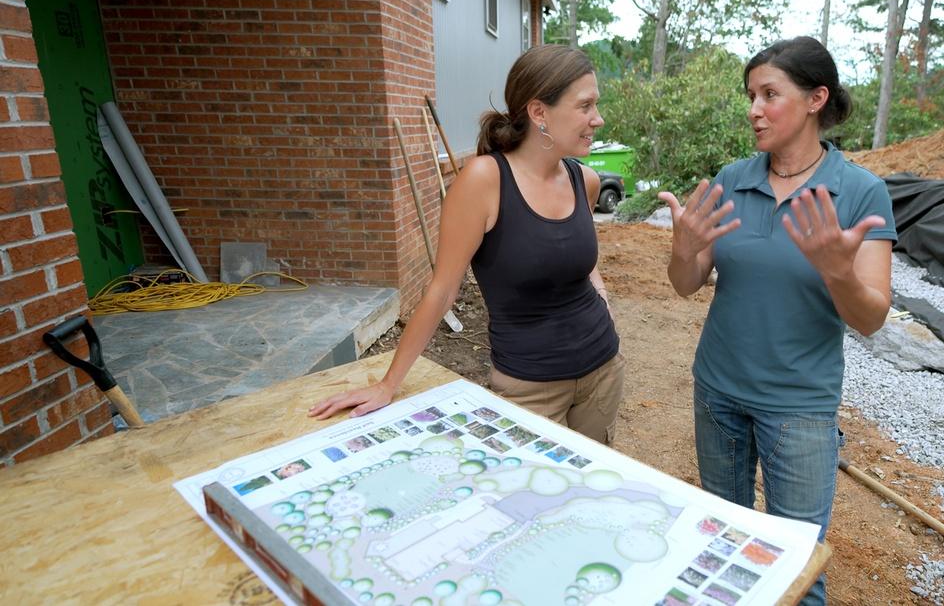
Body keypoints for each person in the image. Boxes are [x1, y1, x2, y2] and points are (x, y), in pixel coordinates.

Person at [659, 36, 895, 605]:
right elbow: (685, 283)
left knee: (795, 564)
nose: (753, 109)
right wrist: (683, 248)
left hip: (799, 408)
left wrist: (838, 271)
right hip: (717, 392)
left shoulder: (861, 191)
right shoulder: (731, 179)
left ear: (816, 99)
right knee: (723, 543)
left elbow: (871, 319)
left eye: (770, 94)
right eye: (751, 95)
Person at [309, 45, 624, 444]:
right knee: (524, 498)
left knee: (591, 488)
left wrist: (602, 297)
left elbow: (579, 256)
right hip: (528, 387)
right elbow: (442, 290)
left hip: (603, 370)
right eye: (586, 106)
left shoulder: (586, 181)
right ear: (539, 112)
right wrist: (388, 384)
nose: (598, 118)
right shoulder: (484, 181)